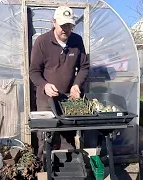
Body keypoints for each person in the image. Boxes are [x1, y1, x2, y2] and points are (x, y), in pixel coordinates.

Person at [29, 6, 90, 160]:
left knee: (67, 139)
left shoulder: (77, 41)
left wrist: (76, 85)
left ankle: (69, 168)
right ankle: (44, 168)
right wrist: (45, 85)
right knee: (45, 139)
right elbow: (34, 72)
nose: (66, 30)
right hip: (46, 101)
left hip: (67, 101)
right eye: (63, 25)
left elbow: (83, 67)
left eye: (69, 25)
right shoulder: (42, 42)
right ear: (54, 22)